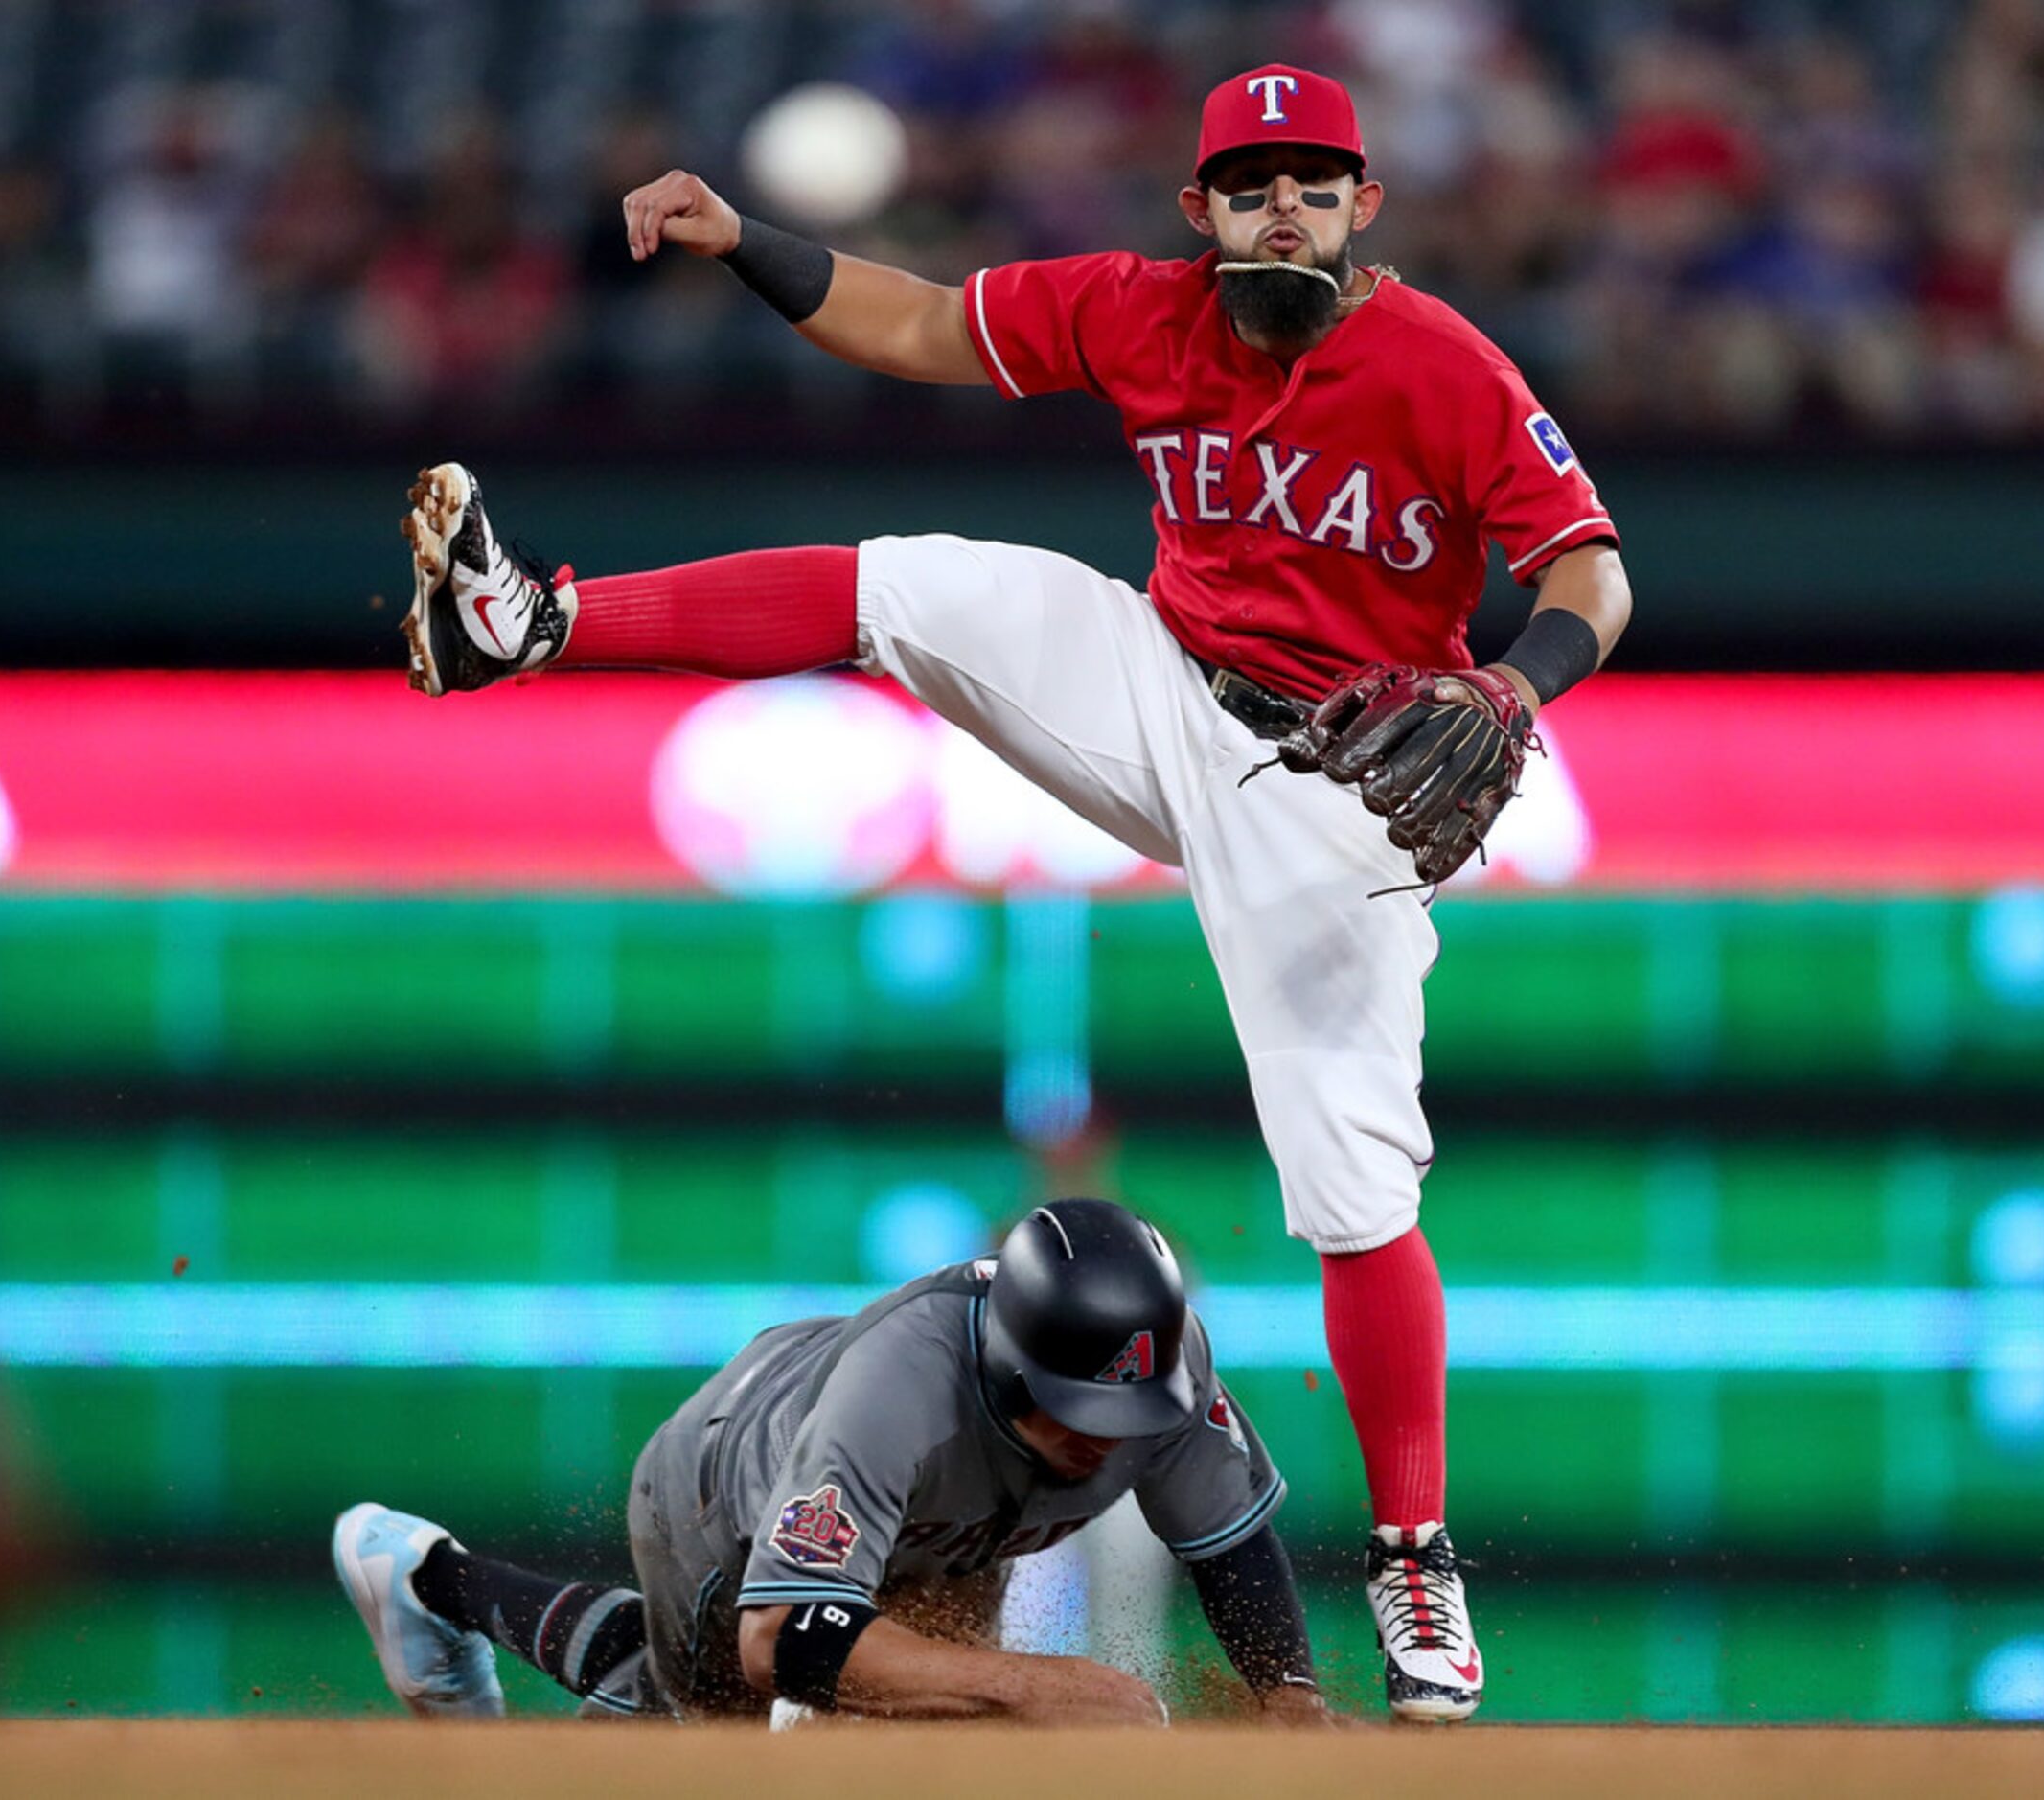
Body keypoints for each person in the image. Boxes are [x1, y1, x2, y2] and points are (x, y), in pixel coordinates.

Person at [394, 63, 1633, 1720]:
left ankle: (1414, 1549)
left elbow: (1591, 569)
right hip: (1162, 669)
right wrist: (739, 238)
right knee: (907, 585)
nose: (1285, 204)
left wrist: (1513, 685)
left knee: (1349, 1173)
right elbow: (911, 326)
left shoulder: (1438, 362)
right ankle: (525, 624)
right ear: (1198, 210)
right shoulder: (1140, 311)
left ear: (1362, 205)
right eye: (1250, 180)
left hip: (1334, 778)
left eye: (1315, 179)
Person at [333, 1199, 1324, 1724]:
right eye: (1080, 1406)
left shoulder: (1165, 1370)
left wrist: (1291, 1701)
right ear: (1008, 1363)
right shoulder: (898, 1395)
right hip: (723, 1484)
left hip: (946, 1528)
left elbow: (1229, 1547)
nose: (1110, 1435)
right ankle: (427, 1576)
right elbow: (783, 1642)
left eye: (1131, 1409)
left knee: (923, 1727)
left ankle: (439, 1584)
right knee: (715, 1731)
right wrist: (1036, 1684)